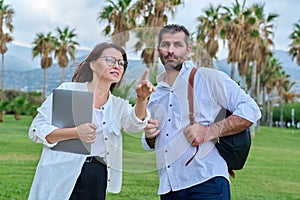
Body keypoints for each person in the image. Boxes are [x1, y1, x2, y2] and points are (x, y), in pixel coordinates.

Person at [142, 24, 261, 199]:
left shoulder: (208, 78)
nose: (170, 50)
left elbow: (251, 109)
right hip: (169, 187)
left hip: (207, 182)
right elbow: (151, 143)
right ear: (158, 50)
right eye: (165, 45)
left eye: (177, 45)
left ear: (188, 51)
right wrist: (149, 135)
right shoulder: (156, 94)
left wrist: (209, 131)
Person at [28, 42, 155, 200]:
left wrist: (141, 99)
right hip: (61, 172)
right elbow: (36, 130)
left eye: (122, 63)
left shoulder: (117, 105)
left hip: (97, 175)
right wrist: (75, 132)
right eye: (110, 60)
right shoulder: (68, 91)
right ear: (93, 64)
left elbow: (135, 125)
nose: (117, 65)